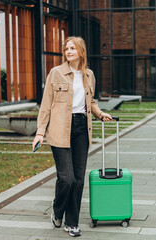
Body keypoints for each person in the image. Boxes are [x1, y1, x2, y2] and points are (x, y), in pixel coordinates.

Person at [32, 36, 112, 237]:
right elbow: (46, 104)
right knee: (66, 178)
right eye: (66, 48)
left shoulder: (89, 75)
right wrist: (40, 132)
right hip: (60, 129)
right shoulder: (56, 73)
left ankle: (72, 222)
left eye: (72, 48)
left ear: (81, 52)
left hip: (81, 129)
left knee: (78, 179)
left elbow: (90, 101)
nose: (68, 51)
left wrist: (100, 114)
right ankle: (58, 210)